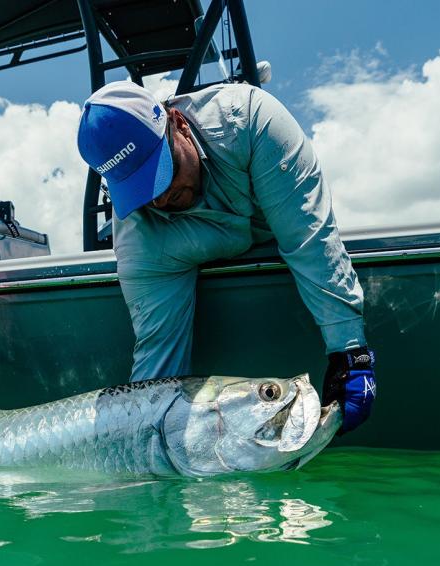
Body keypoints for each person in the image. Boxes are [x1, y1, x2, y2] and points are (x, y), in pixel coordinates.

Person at [76, 81, 376, 432]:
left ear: (180, 125)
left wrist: (350, 353)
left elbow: (307, 240)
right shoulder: (140, 232)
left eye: (162, 170)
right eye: (140, 189)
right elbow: (158, 360)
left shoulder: (249, 121)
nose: (159, 200)